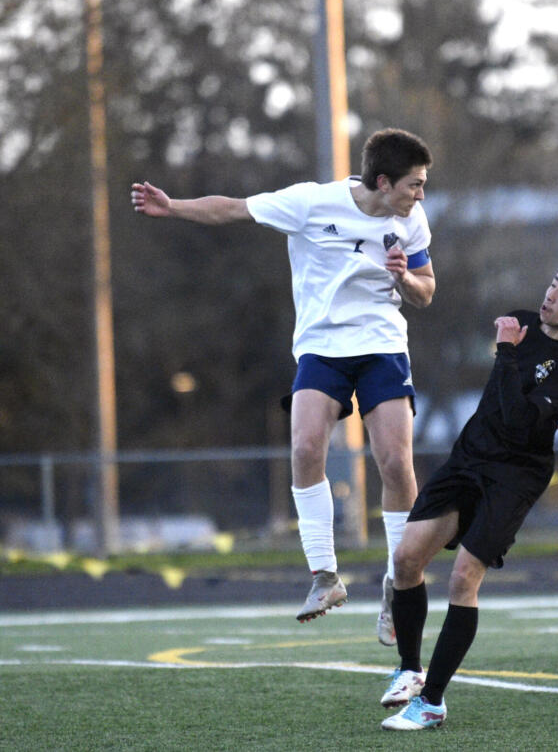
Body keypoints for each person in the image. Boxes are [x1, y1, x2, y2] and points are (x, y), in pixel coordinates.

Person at [131, 128, 435, 642]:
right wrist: (174, 207)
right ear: (383, 181)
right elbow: (232, 208)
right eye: (414, 184)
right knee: (304, 446)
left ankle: (397, 581)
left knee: (395, 463)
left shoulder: (412, 221)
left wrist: (406, 279)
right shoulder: (312, 202)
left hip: (383, 346)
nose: (420, 195)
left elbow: (427, 293)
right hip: (321, 348)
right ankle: (325, 575)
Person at [378, 255, 558, 731]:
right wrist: (509, 346)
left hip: (515, 473)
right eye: (554, 284)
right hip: (469, 456)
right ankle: (410, 670)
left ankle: (431, 701)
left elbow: (518, 422)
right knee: (406, 560)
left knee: (462, 578)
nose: (551, 295)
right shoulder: (524, 322)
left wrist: (507, 351)